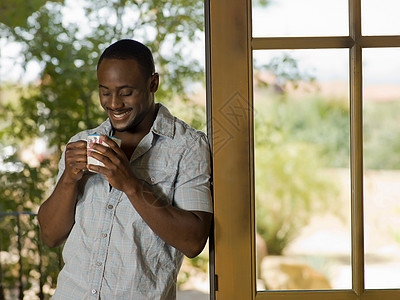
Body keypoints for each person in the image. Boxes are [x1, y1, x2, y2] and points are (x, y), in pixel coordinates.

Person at [37, 39, 213, 299]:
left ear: (153, 83)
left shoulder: (187, 147)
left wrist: (130, 184)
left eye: (126, 92)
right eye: (105, 92)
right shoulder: (81, 143)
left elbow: (194, 240)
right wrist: (68, 180)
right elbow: (50, 236)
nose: (114, 104)